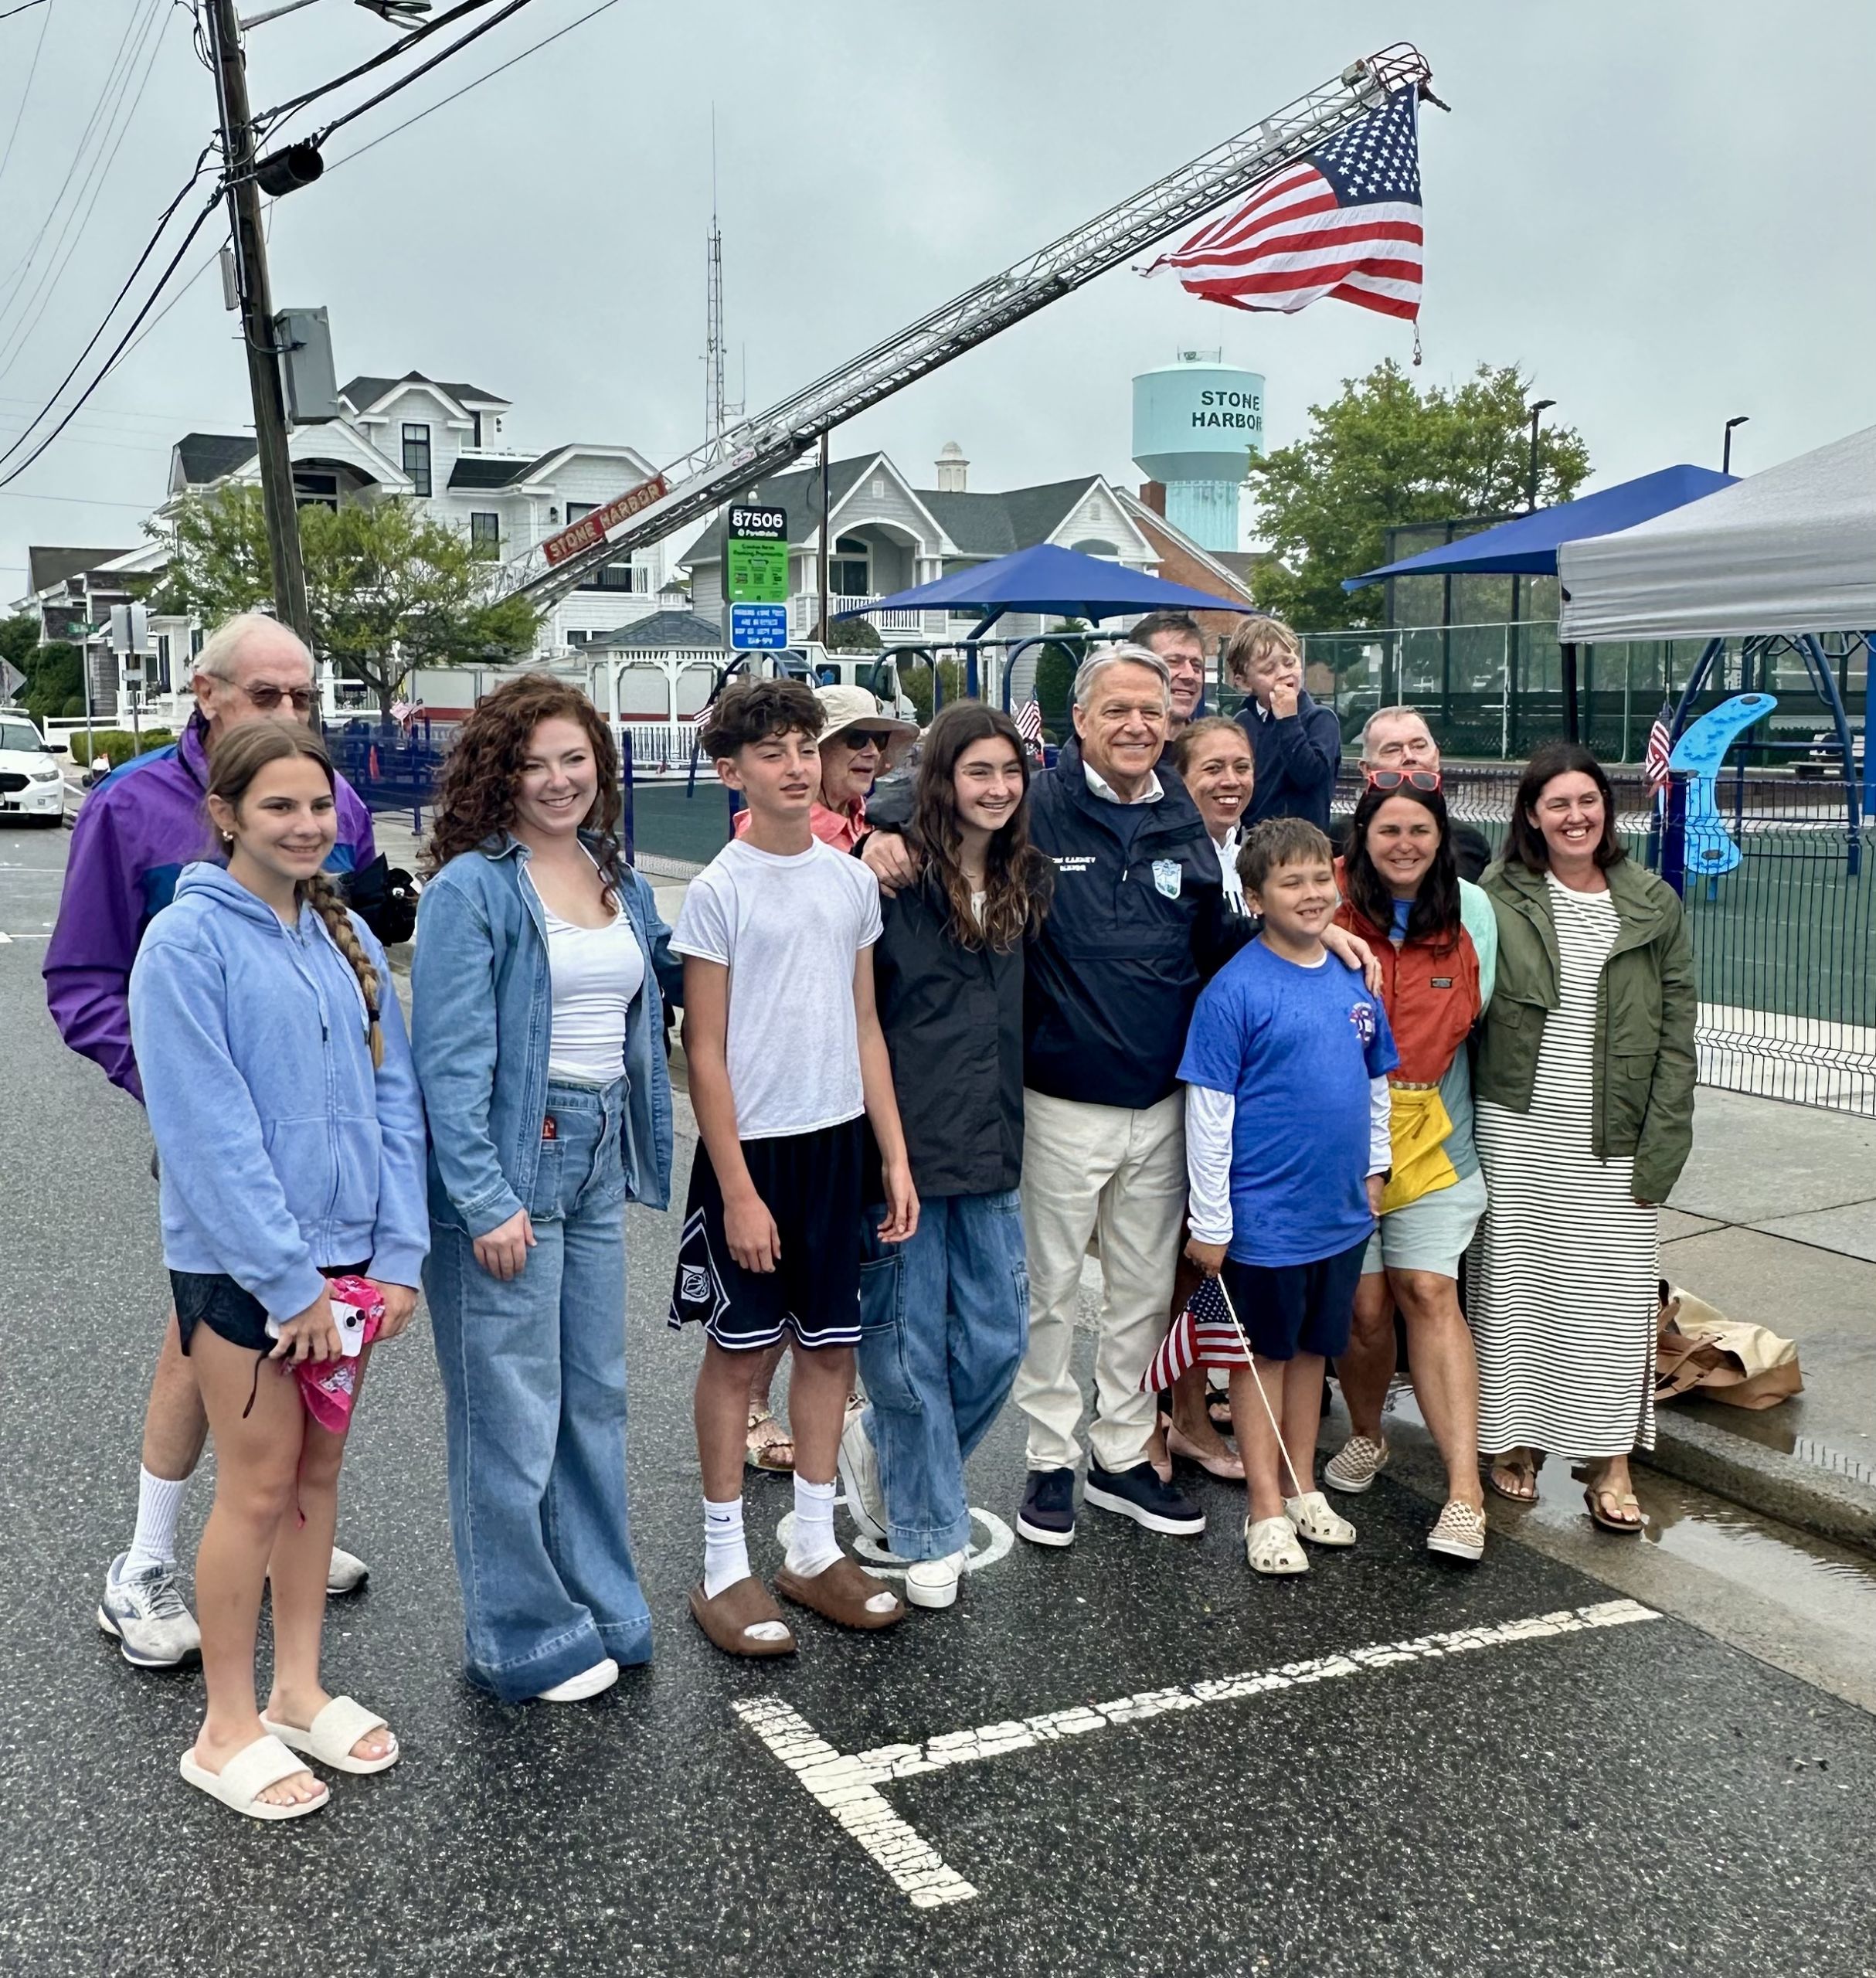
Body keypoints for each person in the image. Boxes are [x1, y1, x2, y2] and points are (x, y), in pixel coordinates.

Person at [51, 613, 379, 1672]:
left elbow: (349, 955)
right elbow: (83, 978)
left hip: (327, 1143)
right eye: (265, 695)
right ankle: (144, 1563)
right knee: (201, 1334)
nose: (287, 714)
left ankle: (276, 1512)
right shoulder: (129, 808)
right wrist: (187, 1090)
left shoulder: (345, 806)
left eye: (303, 698)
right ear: (206, 691)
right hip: (214, 1130)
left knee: (312, 1324)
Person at [127, 722, 425, 1818]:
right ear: (226, 816)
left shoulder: (343, 938)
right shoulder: (187, 945)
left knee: (316, 1483)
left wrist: (395, 1259)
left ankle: (298, 1689)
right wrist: (288, 1285)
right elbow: (208, 1137)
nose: (305, 828)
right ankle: (225, 1727)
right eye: (278, 809)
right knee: (254, 1489)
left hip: (351, 1269)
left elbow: (398, 1107)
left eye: (319, 809)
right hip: (245, 1280)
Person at [413, 677, 675, 1704]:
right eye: (535, 763)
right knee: (510, 1414)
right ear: (499, 774)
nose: (560, 780)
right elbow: (449, 1062)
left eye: (576, 759)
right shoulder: (474, 889)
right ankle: (520, 1634)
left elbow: (663, 987)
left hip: (595, 1152)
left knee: (594, 1401)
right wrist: (484, 1199)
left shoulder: (618, 874)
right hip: (513, 1163)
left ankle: (602, 1606)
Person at [670, 677, 916, 1655]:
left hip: (838, 1145)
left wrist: (891, 1154)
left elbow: (865, 1024)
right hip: (756, 1154)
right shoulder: (720, 888)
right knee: (738, 1358)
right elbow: (706, 1051)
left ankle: (812, 1550)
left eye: (803, 748)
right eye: (769, 751)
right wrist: (735, 1188)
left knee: (829, 1348)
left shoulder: (849, 880)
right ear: (731, 770)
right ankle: (725, 1565)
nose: (794, 765)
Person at [833, 702, 1051, 1611]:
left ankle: (884, 1454)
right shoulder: (889, 880)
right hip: (903, 1150)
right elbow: (864, 1023)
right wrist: (878, 830)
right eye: (977, 772)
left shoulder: (1026, 878)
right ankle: (927, 1527)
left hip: (993, 1144)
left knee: (998, 1341)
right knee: (912, 1350)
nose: (996, 789)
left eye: (1009, 771)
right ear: (942, 780)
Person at [1470, 743, 1697, 1531]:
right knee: (1517, 1289)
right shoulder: (1497, 893)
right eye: (1557, 803)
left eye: (1588, 801)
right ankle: (1510, 1442)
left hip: (1614, 1131)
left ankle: (1609, 1460)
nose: (1575, 816)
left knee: (1610, 1300)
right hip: (1517, 1125)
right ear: (1531, 815)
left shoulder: (1651, 902)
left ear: (1608, 808)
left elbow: (1675, 1035)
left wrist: (1664, 1141)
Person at [1180, 817, 1397, 1576]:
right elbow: (1208, 1114)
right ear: (1254, 896)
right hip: (1262, 1220)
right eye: (1289, 882)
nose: (1310, 895)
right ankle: (1264, 1506)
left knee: (1312, 1352)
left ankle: (1304, 1484)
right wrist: (1212, 1219)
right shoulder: (1234, 990)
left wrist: (1377, 1168)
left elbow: (1376, 1083)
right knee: (1257, 1360)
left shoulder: (1353, 977)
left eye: (1318, 878)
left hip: (1336, 1213)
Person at [734, 681, 917, 1472]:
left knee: (824, 1267)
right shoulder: (803, 836)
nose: (866, 754)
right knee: (780, 1269)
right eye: (852, 742)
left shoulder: (861, 832)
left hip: (842, 1078)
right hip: (781, 1095)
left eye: (872, 741)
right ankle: (749, 1404)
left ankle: (814, 1396)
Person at [1324, 773, 1497, 1562]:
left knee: (1426, 1288)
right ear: (1361, 838)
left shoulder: (1474, 914)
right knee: (1363, 1312)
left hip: (1433, 1137)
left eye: (1419, 831)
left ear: (1439, 838)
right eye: (1388, 830)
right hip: (1339, 1141)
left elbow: (1482, 1018)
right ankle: (1367, 1435)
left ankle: (1465, 1493)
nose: (1404, 845)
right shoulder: (1323, 904)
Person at [1147, 714, 1259, 1483]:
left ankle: (1189, 1400)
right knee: (1178, 1259)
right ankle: (1175, 1413)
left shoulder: (1260, 854)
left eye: (1240, 765)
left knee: (1220, 1255)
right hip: (1177, 1073)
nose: (1228, 780)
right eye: (1210, 768)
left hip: (1250, 1080)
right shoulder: (1164, 850)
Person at [1225, 616, 1342, 831]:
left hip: (1304, 847)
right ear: (1243, 682)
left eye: (1289, 663)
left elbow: (1309, 776)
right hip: (1253, 841)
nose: (1283, 674)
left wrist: (1288, 719)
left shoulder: (1321, 720)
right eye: (1268, 670)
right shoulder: (1242, 723)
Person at [1356, 705, 1493, 882]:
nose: (1409, 756)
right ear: (1367, 769)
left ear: (1436, 757)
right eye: (1392, 750)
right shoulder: (1338, 841)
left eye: (1419, 746)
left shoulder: (1470, 844)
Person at [1128, 609, 1208, 732]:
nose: (1190, 675)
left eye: (1196, 666)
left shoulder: (1209, 749)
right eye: (1174, 662)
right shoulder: (1109, 748)